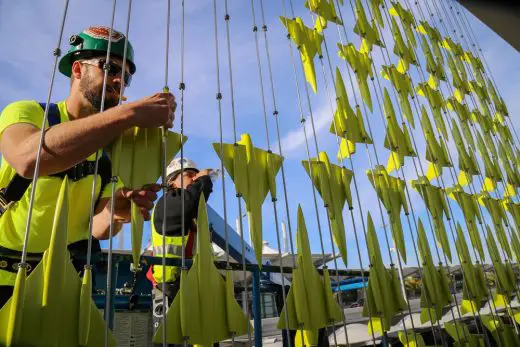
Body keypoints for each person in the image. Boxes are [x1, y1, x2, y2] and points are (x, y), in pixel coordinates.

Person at [0, 25, 176, 308]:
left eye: (127, 76)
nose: (120, 80)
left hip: (65, 284)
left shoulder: (109, 148)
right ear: (79, 70)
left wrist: (120, 208)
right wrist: (128, 114)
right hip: (4, 280)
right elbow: (26, 159)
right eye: (110, 67)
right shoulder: (29, 113)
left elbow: (99, 228)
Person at [147, 157, 213, 345]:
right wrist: (204, 180)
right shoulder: (167, 203)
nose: (194, 178)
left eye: (195, 175)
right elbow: (190, 203)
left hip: (188, 283)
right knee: (172, 340)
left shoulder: (186, 213)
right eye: (189, 175)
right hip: (169, 287)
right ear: (171, 182)